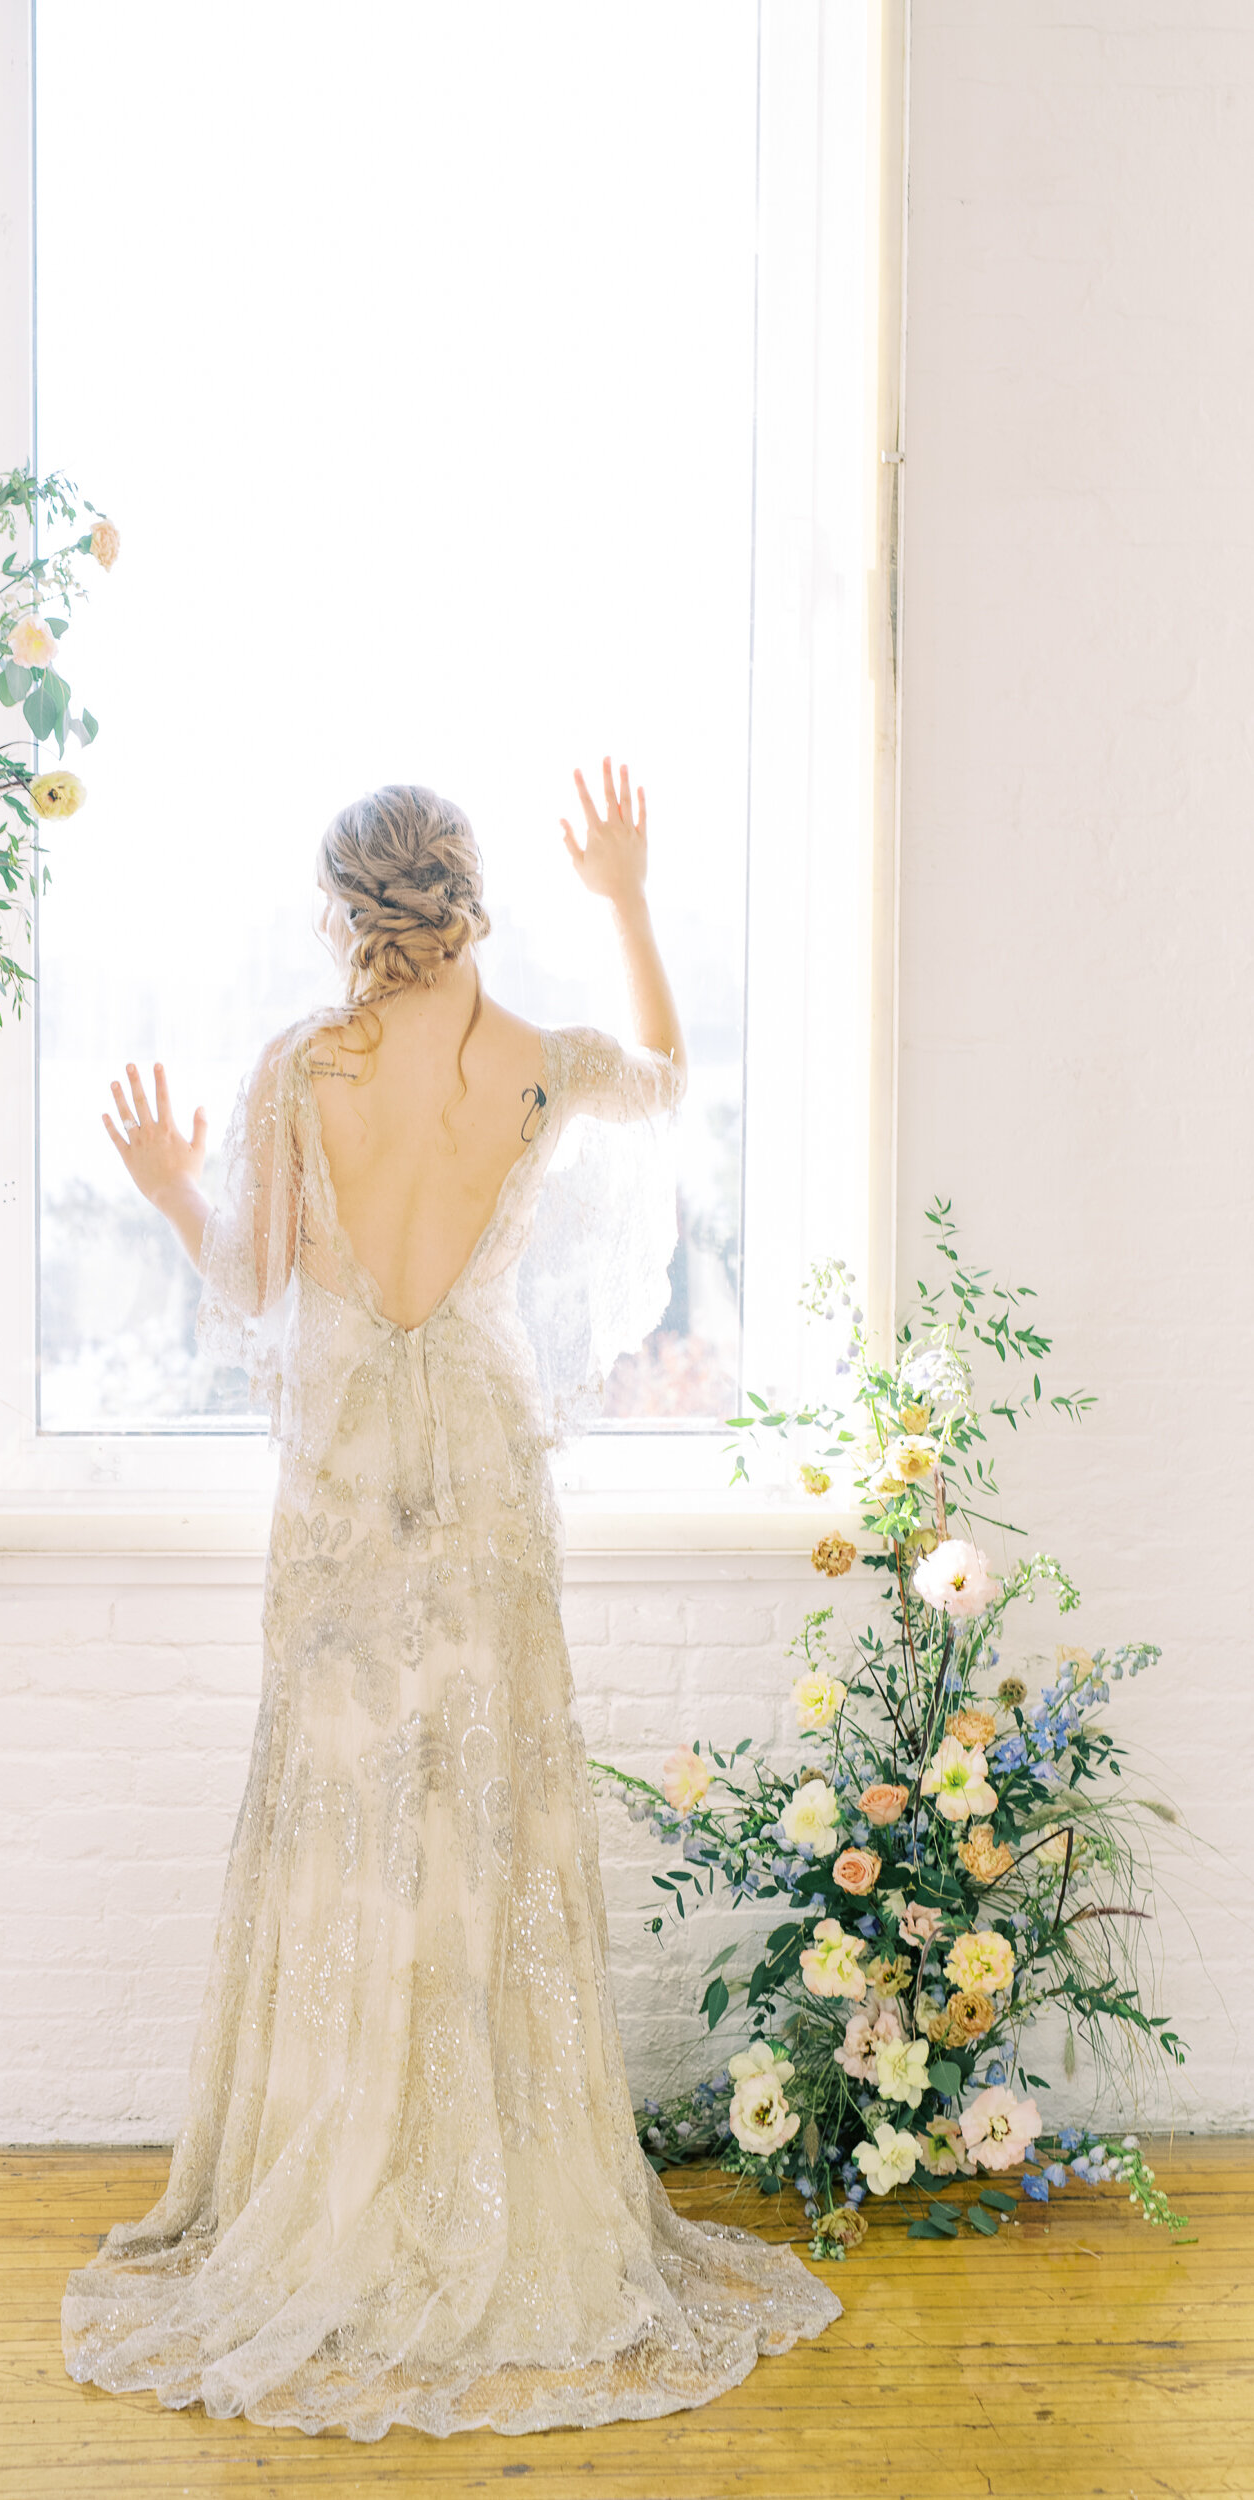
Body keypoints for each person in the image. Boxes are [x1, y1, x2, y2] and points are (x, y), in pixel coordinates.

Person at [62, 763, 839, 2438]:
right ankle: (482, 2183)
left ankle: (346, 2184)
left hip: (348, 1471)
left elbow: (250, 1284)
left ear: (349, 912)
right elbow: (678, 1080)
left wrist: (165, 1183)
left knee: (344, 1815)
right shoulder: (537, 1071)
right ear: (468, 893)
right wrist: (628, 895)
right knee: (490, 1818)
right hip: (478, 1462)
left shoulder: (297, 1067)